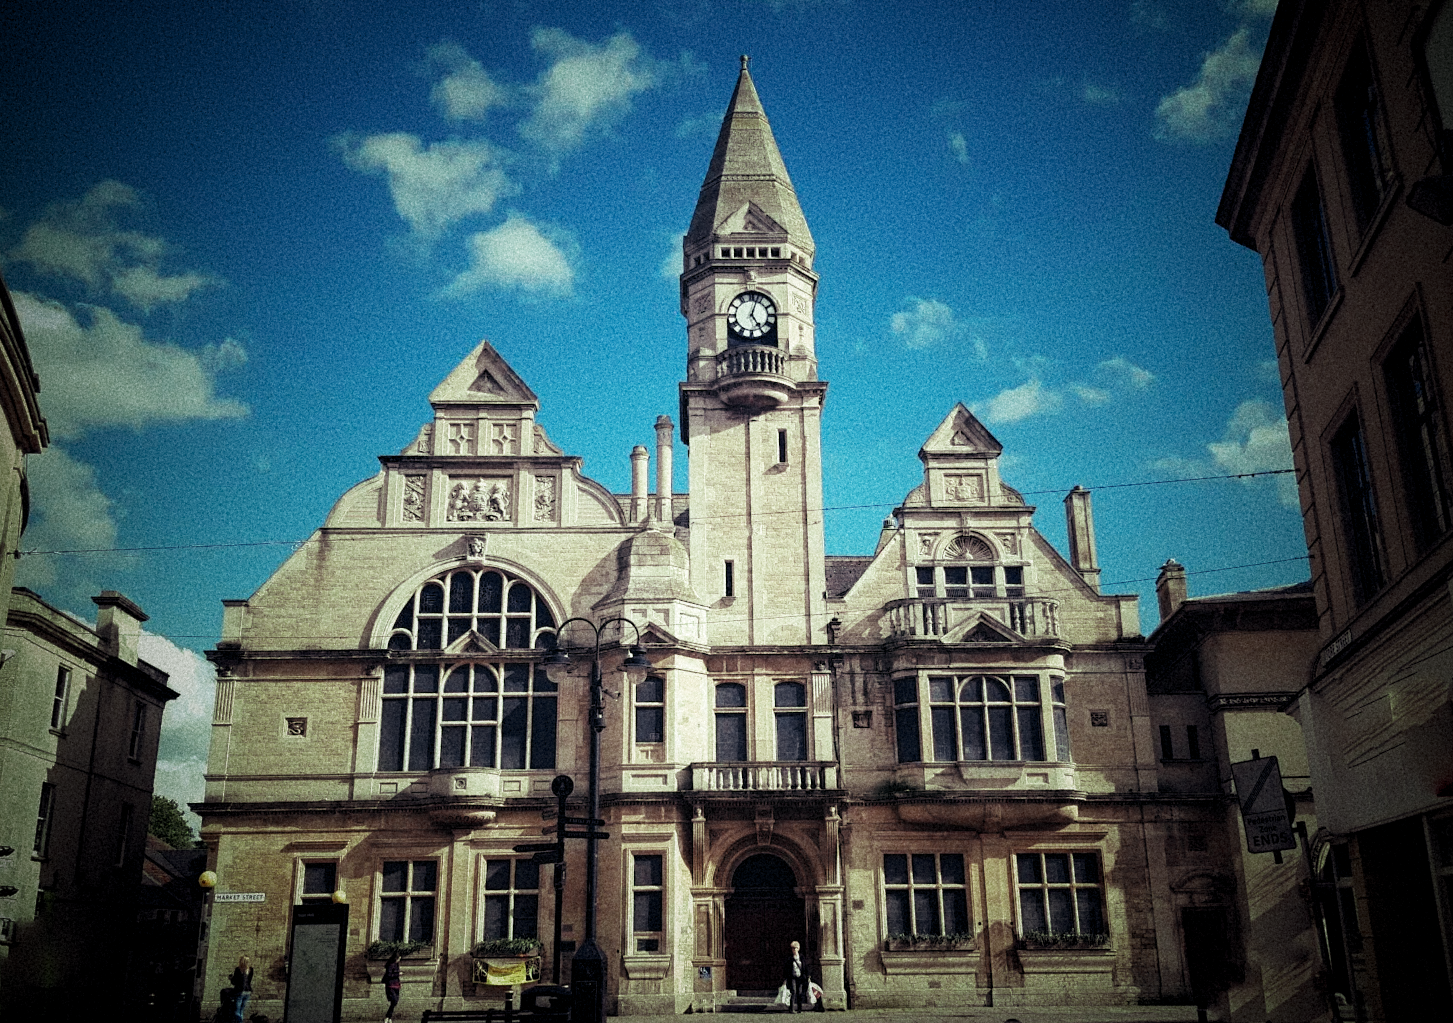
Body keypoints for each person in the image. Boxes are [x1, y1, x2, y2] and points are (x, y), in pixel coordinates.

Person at [782, 940, 809, 1013]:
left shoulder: (802, 957)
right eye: (793, 948)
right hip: (792, 977)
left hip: (800, 977)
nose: (794, 950)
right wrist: (786, 978)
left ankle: (799, 1009)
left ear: (798, 948)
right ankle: (791, 1009)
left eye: (796, 948)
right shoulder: (790, 958)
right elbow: (786, 969)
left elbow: (805, 967)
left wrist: (807, 976)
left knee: (799, 993)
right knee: (793, 992)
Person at [230, 956, 253, 1022]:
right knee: (242, 1010)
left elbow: (235, 982)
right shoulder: (251, 969)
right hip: (248, 991)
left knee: (237, 1010)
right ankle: (240, 1021)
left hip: (240, 991)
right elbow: (249, 980)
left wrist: (231, 978)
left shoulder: (238, 969)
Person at [383, 951, 402, 1021]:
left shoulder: (397, 965)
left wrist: (399, 982)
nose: (399, 960)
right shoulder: (390, 965)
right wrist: (398, 974)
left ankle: (389, 1017)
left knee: (395, 1001)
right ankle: (388, 1017)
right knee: (394, 1000)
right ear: (395, 958)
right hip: (390, 985)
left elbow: (396, 975)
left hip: (396, 984)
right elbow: (389, 975)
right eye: (398, 959)